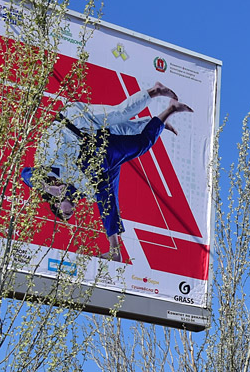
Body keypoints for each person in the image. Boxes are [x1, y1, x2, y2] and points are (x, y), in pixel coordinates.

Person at [20, 82, 193, 263]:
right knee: (136, 138)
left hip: (75, 120)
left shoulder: (46, 175)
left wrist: (50, 189)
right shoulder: (79, 186)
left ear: (56, 205)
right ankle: (163, 118)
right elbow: (107, 202)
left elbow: (26, 174)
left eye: (67, 214)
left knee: (121, 114)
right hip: (93, 139)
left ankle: (155, 91)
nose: (72, 212)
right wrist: (114, 248)